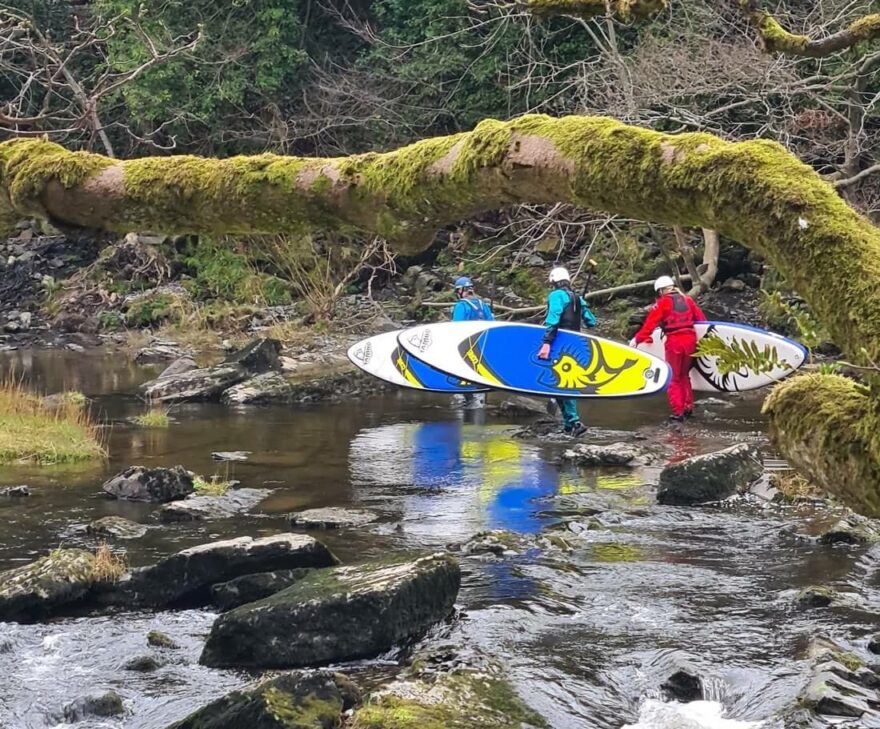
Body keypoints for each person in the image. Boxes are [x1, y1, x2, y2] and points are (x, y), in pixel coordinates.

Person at [630, 275, 706, 424]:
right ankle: (688, 408)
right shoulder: (688, 300)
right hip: (691, 341)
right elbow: (702, 321)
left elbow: (650, 325)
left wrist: (638, 339)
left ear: (661, 291)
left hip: (675, 343)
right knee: (684, 375)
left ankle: (678, 413)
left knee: (673, 378)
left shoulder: (662, 303)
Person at [537, 266, 597, 437]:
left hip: (559, 343)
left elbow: (553, 318)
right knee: (562, 381)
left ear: (554, 281)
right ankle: (569, 425)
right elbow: (592, 322)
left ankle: (575, 422)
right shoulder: (577, 298)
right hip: (575, 343)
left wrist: (546, 343)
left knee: (562, 382)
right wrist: (580, 306)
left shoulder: (556, 296)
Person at [451, 276, 494, 409]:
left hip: (466, 345)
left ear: (461, 291)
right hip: (483, 346)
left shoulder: (461, 306)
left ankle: (468, 397)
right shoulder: (483, 305)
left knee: (466, 373)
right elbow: (492, 324)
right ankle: (480, 398)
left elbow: (455, 327)